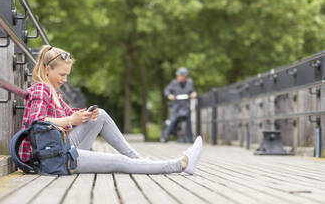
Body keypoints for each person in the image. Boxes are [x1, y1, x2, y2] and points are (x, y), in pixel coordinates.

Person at [19, 45, 203, 175]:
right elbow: (35, 123)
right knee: (118, 162)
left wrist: (84, 115)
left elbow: (69, 113)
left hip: (61, 148)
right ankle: (181, 164)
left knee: (101, 116)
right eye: (62, 75)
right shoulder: (41, 89)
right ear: (47, 69)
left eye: (67, 75)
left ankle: (137, 159)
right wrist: (70, 121)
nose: (65, 80)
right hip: (51, 159)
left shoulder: (53, 91)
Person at [161, 67, 197, 143]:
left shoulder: (189, 83)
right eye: (179, 76)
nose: (180, 77)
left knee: (188, 122)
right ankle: (166, 136)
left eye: (182, 76)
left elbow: (193, 91)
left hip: (185, 106)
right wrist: (169, 95)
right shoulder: (174, 83)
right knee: (173, 120)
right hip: (176, 106)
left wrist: (193, 94)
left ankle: (190, 139)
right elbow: (167, 90)